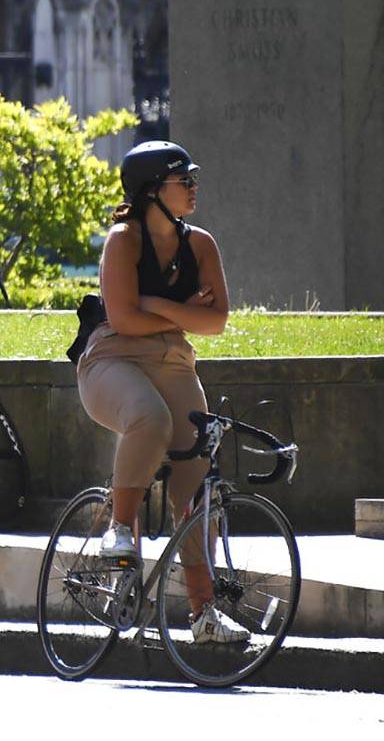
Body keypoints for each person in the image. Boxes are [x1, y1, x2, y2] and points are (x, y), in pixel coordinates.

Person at [74, 140, 249, 644]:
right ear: (153, 191)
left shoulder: (202, 245)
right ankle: (120, 529)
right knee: (150, 419)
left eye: (194, 179)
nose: (194, 188)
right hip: (112, 357)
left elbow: (215, 321)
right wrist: (180, 309)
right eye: (184, 181)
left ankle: (204, 615)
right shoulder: (123, 241)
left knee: (195, 485)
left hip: (173, 358)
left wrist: (156, 302)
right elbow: (122, 321)